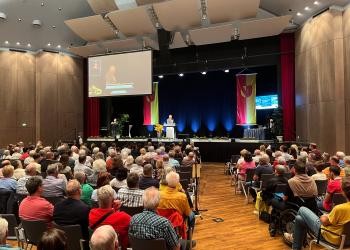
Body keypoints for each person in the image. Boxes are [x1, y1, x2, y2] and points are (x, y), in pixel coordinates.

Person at [285, 177, 350, 250]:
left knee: (302, 209)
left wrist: (323, 217)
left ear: (343, 192)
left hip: (331, 237)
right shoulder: (341, 208)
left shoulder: (340, 208)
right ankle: (296, 247)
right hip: (347, 240)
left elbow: (325, 222)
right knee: (299, 219)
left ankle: (293, 237)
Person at [89, 185, 131, 250]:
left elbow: (107, 216)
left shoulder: (91, 213)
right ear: (113, 200)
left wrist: (114, 209)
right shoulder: (123, 217)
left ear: (98, 200)